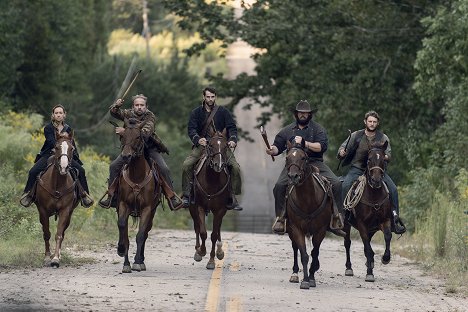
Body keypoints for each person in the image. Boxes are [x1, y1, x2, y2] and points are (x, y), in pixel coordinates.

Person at [266, 100, 344, 234]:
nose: (303, 115)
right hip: (294, 164)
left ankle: (336, 216)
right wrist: (272, 150)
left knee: (336, 183)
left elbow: (321, 147)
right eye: (300, 113)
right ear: (296, 114)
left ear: (310, 115)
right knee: (279, 186)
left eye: (306, 113)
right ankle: (281, 218)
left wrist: (305, 143)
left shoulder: (318, 129)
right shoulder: (287, 130)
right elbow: (277, 146)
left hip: (315, 161)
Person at [98, 94, 182, 210]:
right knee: (114, 166)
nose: (139, 107)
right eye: (137, 105)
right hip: (131, 148)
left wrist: (125, 132)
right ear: (133, 107)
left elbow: (145, 133)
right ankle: (112, 196)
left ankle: (171, 198)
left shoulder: (150, 116)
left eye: (142, 105)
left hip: (149, 148)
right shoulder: (128, 113)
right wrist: (116, 106)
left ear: (146, 106)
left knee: (164, 168)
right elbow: (114, 113)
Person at [337, 110, 406, 234]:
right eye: (370, 121)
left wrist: (381, 156)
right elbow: (343, 147)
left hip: (377, 170)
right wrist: (342, 151)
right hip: (358, 168)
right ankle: (342, 215)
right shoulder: (356, 135)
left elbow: (388, 154)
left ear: (377, 123)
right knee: (345, 184)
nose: (372, 123)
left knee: (393, 189)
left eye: (374, 122)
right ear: (365, 122)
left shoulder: (383, 138)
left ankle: (395, 219)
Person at [180, 86, 243, 211]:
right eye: (208, 97)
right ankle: (187, 195)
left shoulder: (223, 112)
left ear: (215, 97)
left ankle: (232, 196)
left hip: (220, 145)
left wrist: (232, 139)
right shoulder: (196, 112)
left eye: (212, 97)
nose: (210, 99)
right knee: (187, 165)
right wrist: (198, 139)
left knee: (235, 167)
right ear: (203, 97)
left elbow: (232, 128)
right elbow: (191, 129)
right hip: (203, 145)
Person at [19, 104, 94, 208]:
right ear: (53, 115)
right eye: (56, 113)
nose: (58, 115)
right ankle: (28, 194)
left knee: (81, 170)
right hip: (50, 154)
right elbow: (51, 142)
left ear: (64, 115)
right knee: (33, 171)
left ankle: (84, 195)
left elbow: (72, 144)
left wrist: (75, 156)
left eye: (60, 113)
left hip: (65, 155)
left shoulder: (68, 129)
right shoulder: (48, 128)